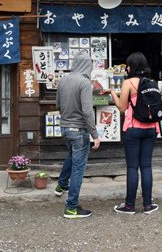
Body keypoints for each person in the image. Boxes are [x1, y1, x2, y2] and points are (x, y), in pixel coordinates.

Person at [109, 52, 162, 215]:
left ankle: (129, 206)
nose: (127, 68)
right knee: (146, 166)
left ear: (132, 67)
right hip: (151, 129)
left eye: (128, 65)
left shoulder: (128, 83)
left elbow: (122, 108)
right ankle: (148, 205)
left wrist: (112, 93)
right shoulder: (152, 82)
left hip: (133, 129)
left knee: (133, 167)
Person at [55, 51, 101, 219]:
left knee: (72, 157)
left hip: (64, 128)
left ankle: (61, 185)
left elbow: (58, 104)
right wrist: (95, 134)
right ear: (88, 66)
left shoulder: (63, 81)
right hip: (79, 130)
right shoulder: (84, 83)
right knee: (78, 169)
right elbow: (88, 112)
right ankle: (71, 207)